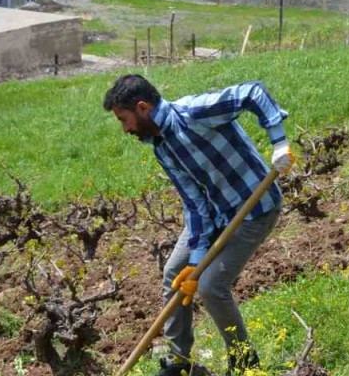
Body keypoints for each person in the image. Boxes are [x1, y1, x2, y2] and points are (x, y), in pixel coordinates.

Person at [103, 75, 295, 376]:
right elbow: (194, 204)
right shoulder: (162, 148)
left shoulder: (194, 112)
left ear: (142, 108)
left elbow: (251, 92)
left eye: (123, 119)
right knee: (175, 274)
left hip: (255, 210)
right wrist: (194, 262)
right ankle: (180, 362)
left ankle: (245, 363)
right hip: (218, 214)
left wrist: (279, 141)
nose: (125, 128)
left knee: (210, 286)